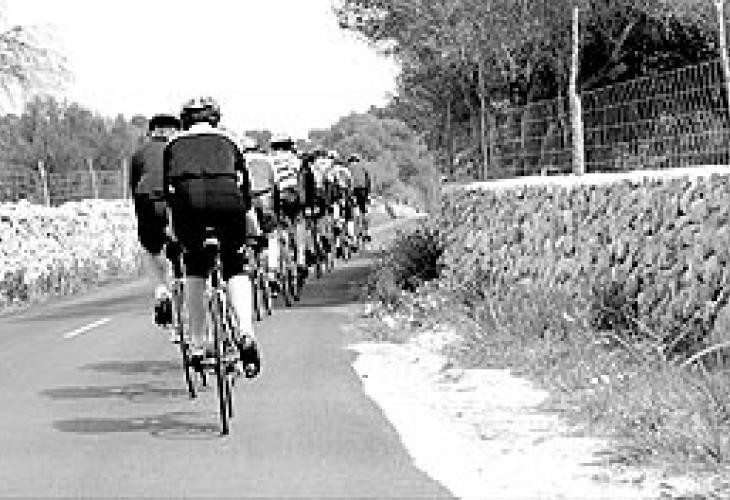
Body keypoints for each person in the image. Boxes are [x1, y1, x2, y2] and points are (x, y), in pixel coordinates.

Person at [163, 96, 260, 377]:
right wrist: (253, 228)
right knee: (235, 266)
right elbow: (245, 188)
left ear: (185, 120)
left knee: (194, 269)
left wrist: (173, 233)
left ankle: (197, 343)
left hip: (189, 206)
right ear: (215, 118)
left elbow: (169, 193)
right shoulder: (230, 140)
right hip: (228, 203)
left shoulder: (173, 144)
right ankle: (246, 333)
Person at [129, 113, 182, 328]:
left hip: (147, 201)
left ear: (152, 132)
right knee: (182, 245)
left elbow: (134, 189)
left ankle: (161, 291)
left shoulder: (139, 153)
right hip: (175, 200)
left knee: (151, 250)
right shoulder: (180, 148)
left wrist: (142, 221)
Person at [268, 134, 307, 284]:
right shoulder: (296, 160)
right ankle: (301, 260)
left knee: (278, 230)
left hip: (278, 197)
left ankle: (276, 268)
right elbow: (302, 181)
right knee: (299, 225)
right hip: (293, 196)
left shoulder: (270, 159)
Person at [347, 153, 372, 243]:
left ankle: (356, 231)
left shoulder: (348, 168)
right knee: (365, 211)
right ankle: (367, 231)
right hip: (363, 190)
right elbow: (368, 181)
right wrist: (369, 193)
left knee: (354, 211)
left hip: (352, 191)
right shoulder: (363, 167)